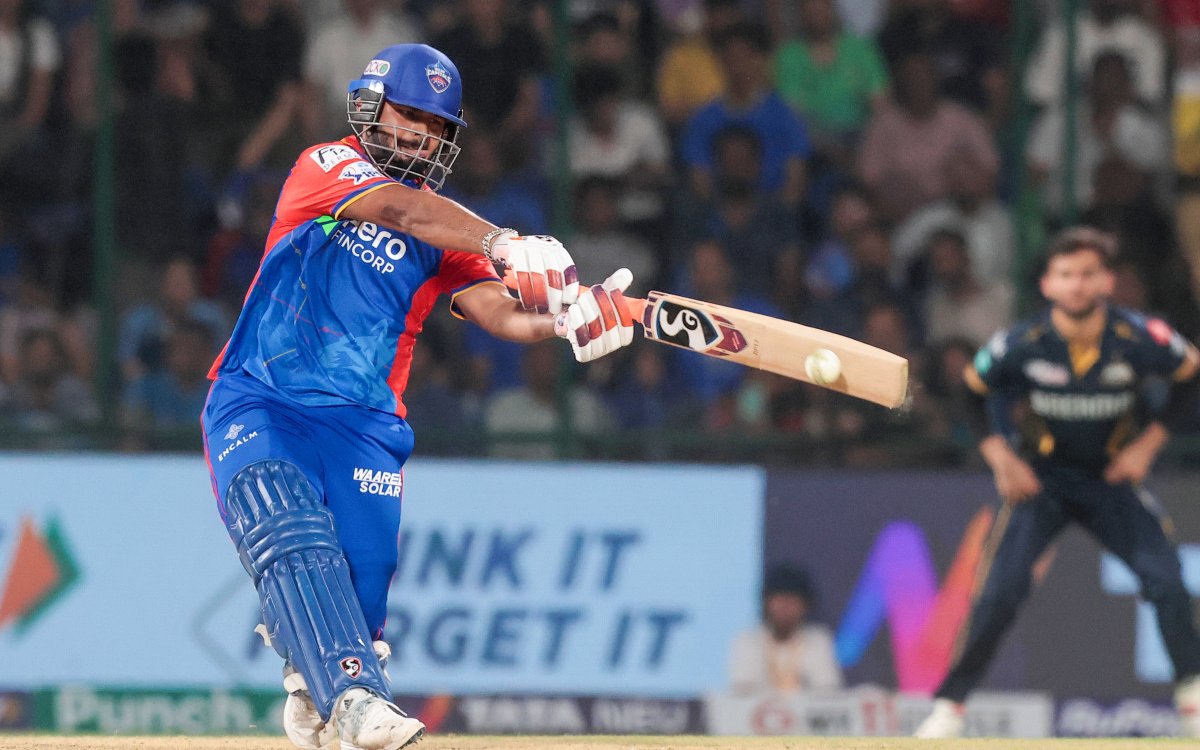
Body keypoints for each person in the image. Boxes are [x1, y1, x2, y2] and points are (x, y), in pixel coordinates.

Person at [200, 43, 637, 750]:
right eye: (408, 115)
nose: (420, 135)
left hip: (365, 427)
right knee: (289, 528)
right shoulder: (326, 166)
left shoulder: (449, 230)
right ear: (370, 108)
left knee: (362, 579)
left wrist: (567, 319)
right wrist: (504, 241)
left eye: (436, 126)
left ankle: (313, 680)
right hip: (264, 398)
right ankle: (353, 698)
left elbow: (500, 312)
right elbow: (403, 211)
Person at [915, 227, 1200, 738]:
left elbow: (1191, 375)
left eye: (1088, 274)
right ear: (1047, 284)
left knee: (1167, 581)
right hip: (1041, 484)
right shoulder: (1022, 343)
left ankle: (1193, 703)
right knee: (998, 594)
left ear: (1107, 281)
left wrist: (1147, 445)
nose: (1077, 285)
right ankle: (948, 708)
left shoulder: (1139, 337)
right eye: (1066, 275)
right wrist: (1000, 457)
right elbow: (971, 392)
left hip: (1110, 481)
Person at [727, 564, 843, 693]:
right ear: (767, 603)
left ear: (805, 605)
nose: (785, 608)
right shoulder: (748, 641)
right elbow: (742, 689)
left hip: (807, 706)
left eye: (792, 602)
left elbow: (827, 689)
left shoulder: (818, 641)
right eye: (779, 601)